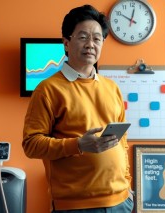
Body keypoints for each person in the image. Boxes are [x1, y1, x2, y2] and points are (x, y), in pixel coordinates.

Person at [22, 4, 134, 212]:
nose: (91, 44)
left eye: (97, 39)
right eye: (83, 37)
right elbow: (31, 144)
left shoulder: (112, 88)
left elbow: (123, 142)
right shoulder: (48, 89)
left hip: (121, 202)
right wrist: (79, 145)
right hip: (76, 207)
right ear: (66, 43)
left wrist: (127, 184)